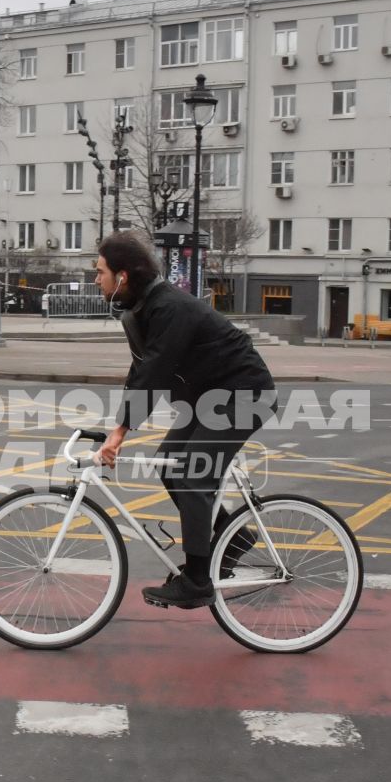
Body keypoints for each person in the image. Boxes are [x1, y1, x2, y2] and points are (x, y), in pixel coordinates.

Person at [93, 231, 276, 609]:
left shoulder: (169, 307)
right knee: (172, 465)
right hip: (211, 398)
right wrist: (119, 427)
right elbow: (143, 368)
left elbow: (156, 369)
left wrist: (121, 430)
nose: (97, 279)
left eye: (100, 271)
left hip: (244, 394)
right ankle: (232, 535)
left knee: (193, 472)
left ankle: (196, 582)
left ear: (122, 276)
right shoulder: (143, 307)